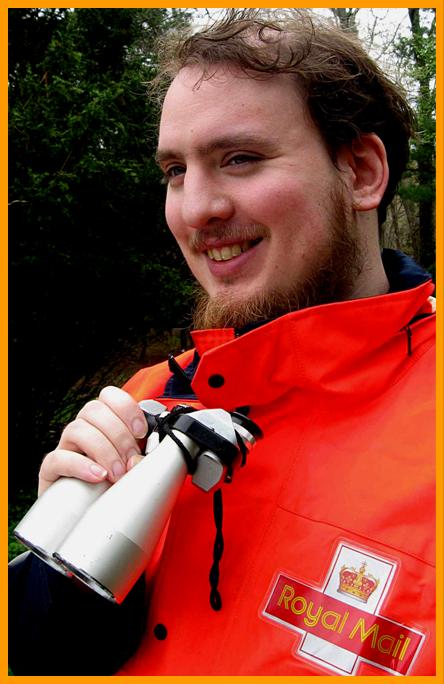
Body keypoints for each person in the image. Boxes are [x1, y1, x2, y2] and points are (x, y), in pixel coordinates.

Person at [9, 9, 435, 676]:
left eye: (240, 158)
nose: (196, 209)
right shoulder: (143, 401)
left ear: (360, 172)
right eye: (175, 170)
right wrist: (63, 568)